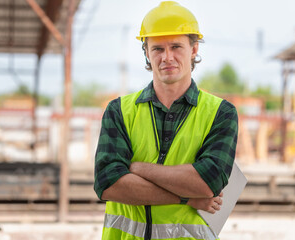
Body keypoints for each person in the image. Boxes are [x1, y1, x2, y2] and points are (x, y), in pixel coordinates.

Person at [94, 1, 238, 239]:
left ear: (193, 50)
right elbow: (108, 184)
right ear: (147, 53)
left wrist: (138, 168)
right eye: (158, 48)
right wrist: (187, 198)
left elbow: (207, 183)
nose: (167, 57)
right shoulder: (119, 111)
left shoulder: (221, 113)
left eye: (176, 47)